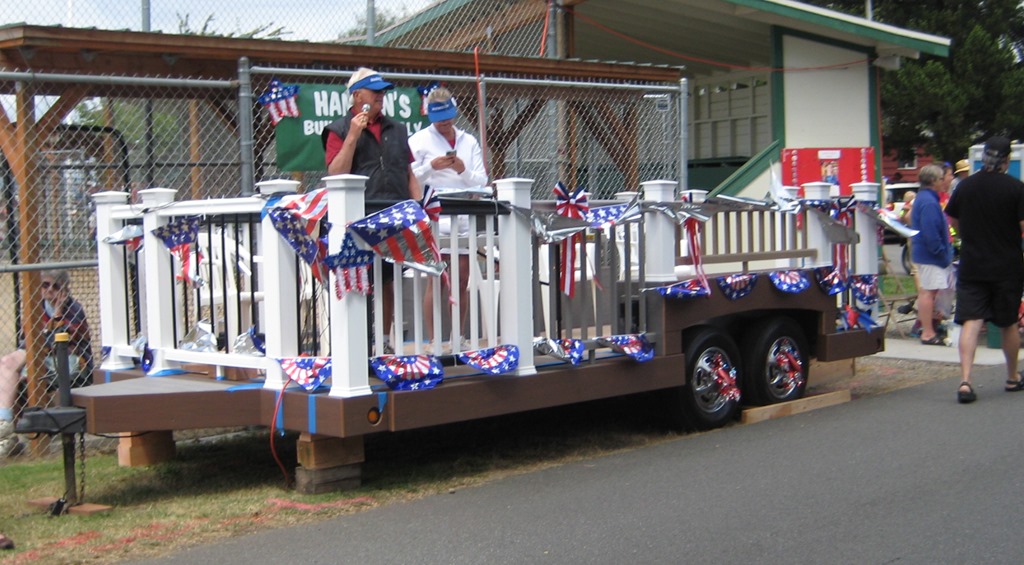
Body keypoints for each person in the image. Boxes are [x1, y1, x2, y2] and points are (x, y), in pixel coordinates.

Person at [321, 67, 422, 354]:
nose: (380, 96)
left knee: (388, 279)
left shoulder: (397, 129)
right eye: (374, 91)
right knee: (358, 276)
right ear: (356, 96)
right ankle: (357, 343)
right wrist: (353, 135)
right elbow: (336, 172)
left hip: (393, 214)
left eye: (382, 92)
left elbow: (408, 172)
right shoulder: (338, 129)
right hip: (356, 218)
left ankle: (384, 340)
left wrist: (417, 207)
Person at [944, 136, 1024, 404]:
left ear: (983, 158)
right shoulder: (1016, 188)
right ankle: (1012, 377)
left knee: (971, 320)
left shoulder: (965, 186)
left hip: (972, 264)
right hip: (1006, 266)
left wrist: (966, 235)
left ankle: (965, 381)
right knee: (1008, 323)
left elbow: (953, 218)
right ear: (1006, 160)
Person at [408, 87, 488, 348]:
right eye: (439, 120)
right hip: (435, 217)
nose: (444, 124)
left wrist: (462, 169)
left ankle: (458, 337)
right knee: (436, 280)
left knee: (461, 279)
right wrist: (431, 166)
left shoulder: (468, 141)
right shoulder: (419, 140)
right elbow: (409, 178)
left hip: (463, 216)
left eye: (448, 118)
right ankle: (434, 340)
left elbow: (481, 181)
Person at [0, 270, 93, 456]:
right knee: (7, 364)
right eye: (45, 285)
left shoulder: (73, 309)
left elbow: (60, 343)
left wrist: (57, 315)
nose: (50, 290)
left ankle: (7, 428)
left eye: (55, 286)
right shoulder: (36, 308)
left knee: (21, 372)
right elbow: (27, 341)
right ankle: (5, 427)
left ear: (65, 289)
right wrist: (40, 341)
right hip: (41, 357)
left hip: (71, 363)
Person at [909, 164, 954, 346]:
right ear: (933, 180)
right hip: (930, 256)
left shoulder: (924, 198)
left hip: (926, 254)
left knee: (928, 291)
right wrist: (941, 252)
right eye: (941, 178)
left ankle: (929, 329)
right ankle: (927, 332)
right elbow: (931, 233)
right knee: (928, 292)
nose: (944, 182)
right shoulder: (929, 202)